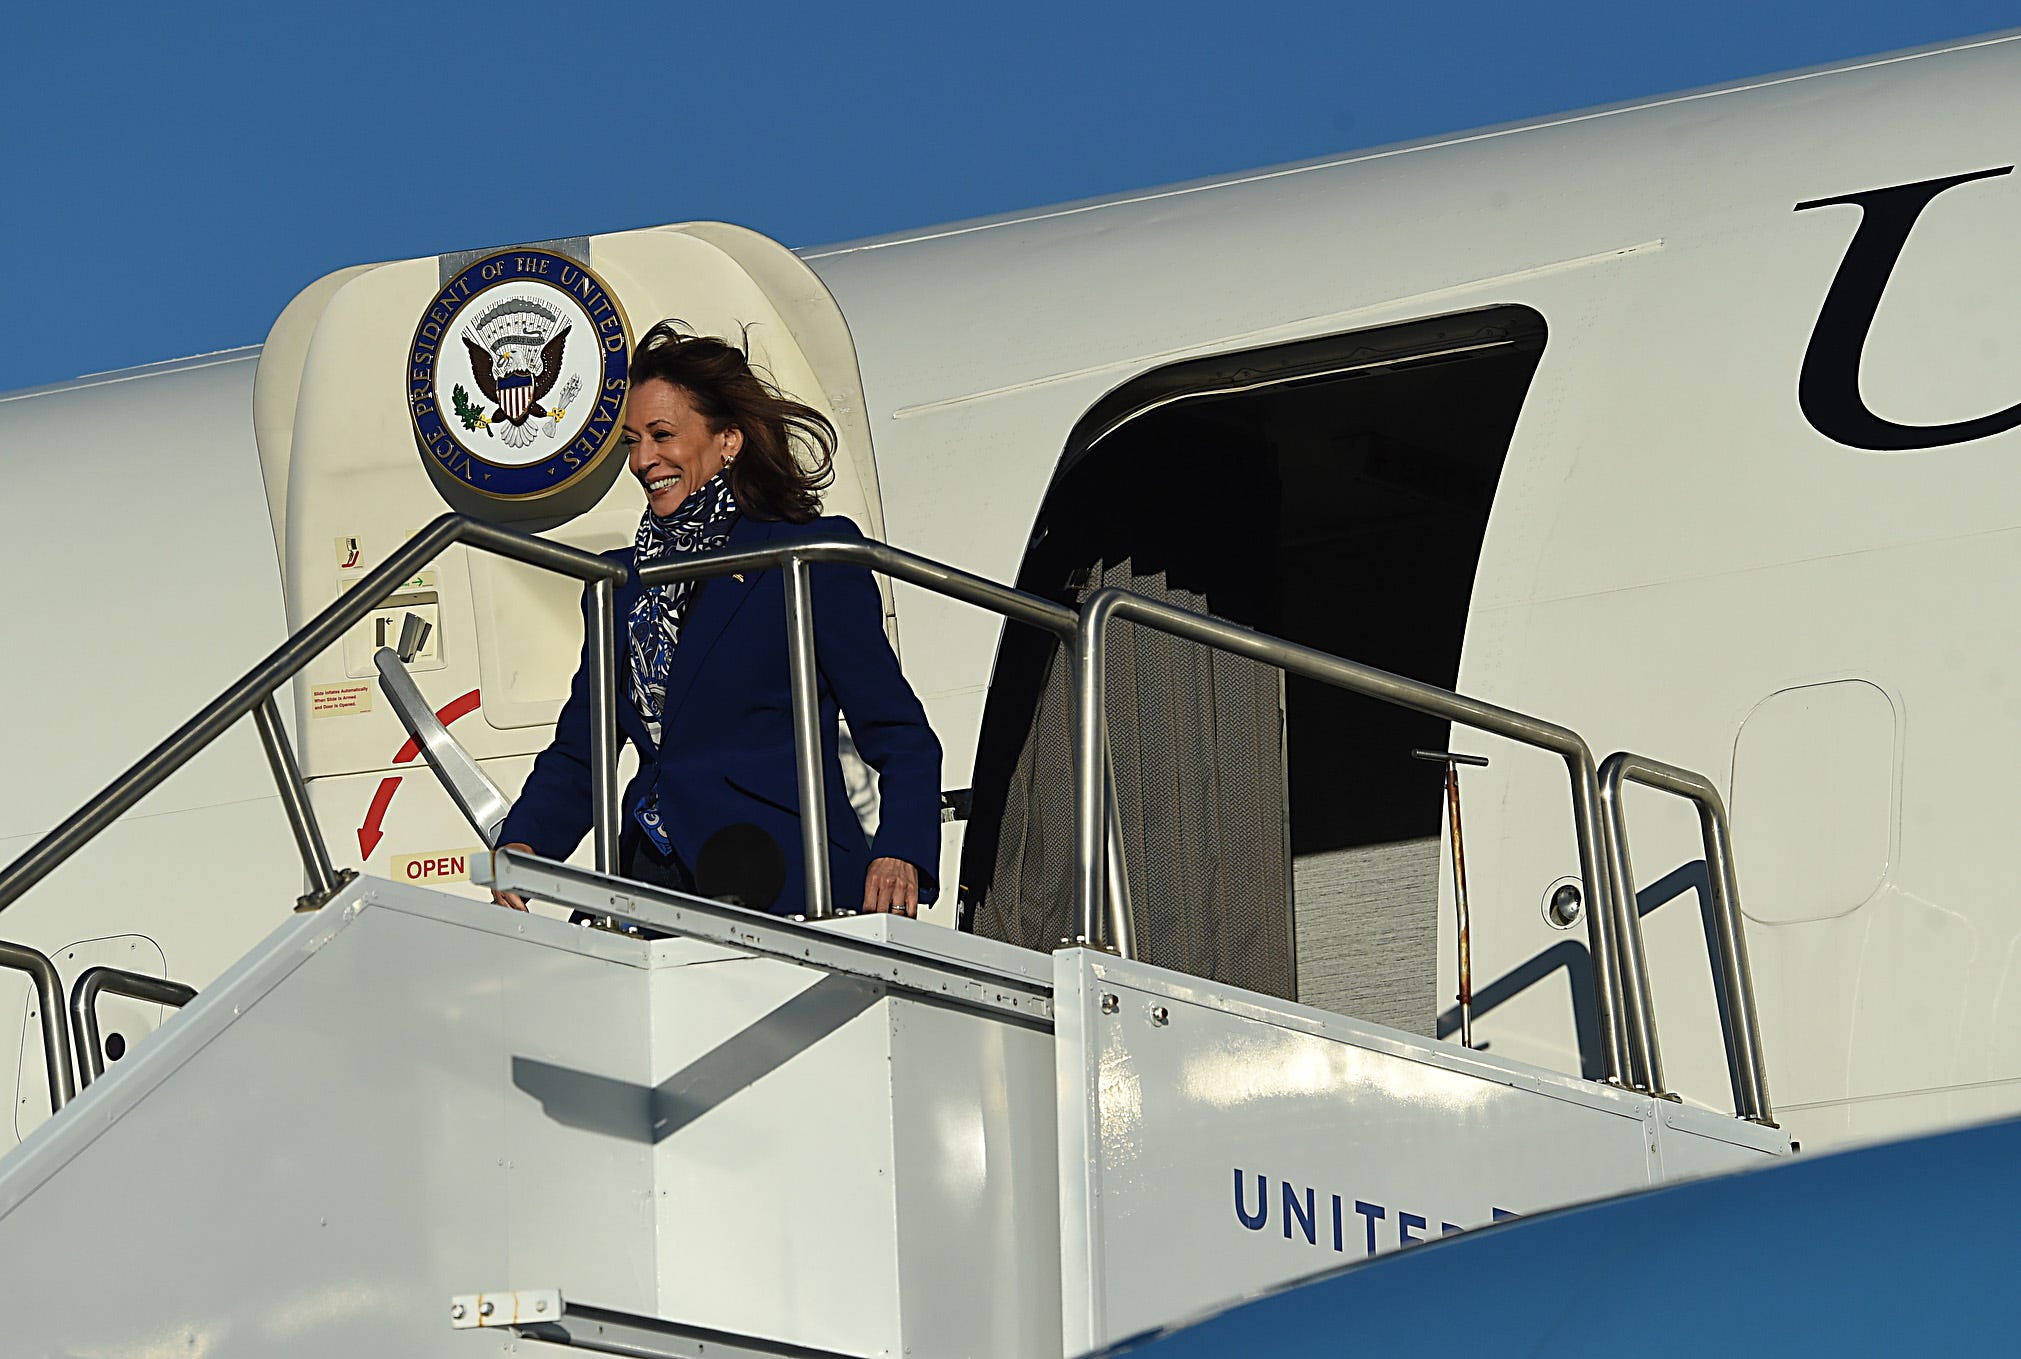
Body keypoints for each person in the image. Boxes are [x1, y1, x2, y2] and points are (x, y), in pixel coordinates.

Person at [491, 321, 941, 917]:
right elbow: (582, 752)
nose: (643, 460)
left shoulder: (804, 559)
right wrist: (524, 843)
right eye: (632, 442)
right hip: (646, 876)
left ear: (728, 440)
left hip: (779, 875)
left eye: (662, 435)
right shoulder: (618, 584)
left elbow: (900, 734)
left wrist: (902, 848)